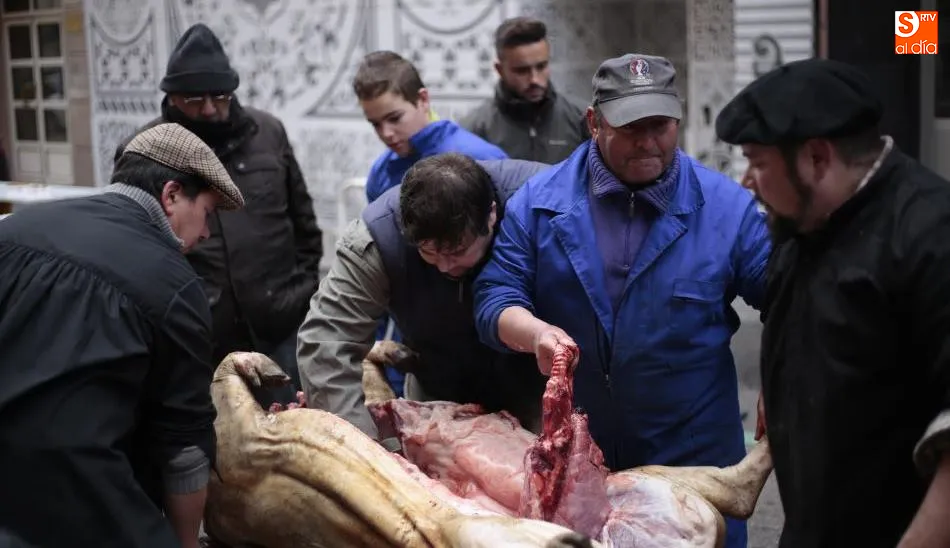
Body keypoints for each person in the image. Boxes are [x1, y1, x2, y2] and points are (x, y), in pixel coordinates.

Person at [472, 53, 771, 548]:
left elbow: (785, 298)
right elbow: (494, 296)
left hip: (693, 458)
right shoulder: (539, 203)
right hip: (581, 461)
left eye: (661, 125)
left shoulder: (726, 209)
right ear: (594, 123)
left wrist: (781, 378)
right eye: (631, 128)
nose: (649, 142)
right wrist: (535, 333)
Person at [715, 58, 950, 548]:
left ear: (817, 158)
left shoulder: (930, 236)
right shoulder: (799, 225)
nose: (747, 182)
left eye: (757, 163)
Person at [0, 123, 245, 548]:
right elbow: (183, 447)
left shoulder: (13, 231)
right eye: (207, 213)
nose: (206, 233)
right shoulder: (175, 285)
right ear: (171, 195)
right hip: (89, 506)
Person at [116, 23, 323, 404]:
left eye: (220, 95)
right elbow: (131, 249)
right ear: (172, 97)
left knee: (292, 430)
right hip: (199, 336)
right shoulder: (142, 150)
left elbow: (305, 223)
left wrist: (300, 291)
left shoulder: (269, 133)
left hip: (279, 324)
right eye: (194, 99)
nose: (210, 108)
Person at [297, 153, 550, 439]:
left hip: (541, 392)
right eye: (428, 253)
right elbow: (327, 341)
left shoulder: (550, 205)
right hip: (437, 399)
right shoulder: (380, 236)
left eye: (458, 251)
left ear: (492, 215)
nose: (444, 266)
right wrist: (365, 455)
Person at [353, 50, 509, 394]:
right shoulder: (381, 173)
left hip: (485, 338)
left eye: (394, 117)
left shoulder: (481, 160)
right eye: (375, 123)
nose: (386, 132)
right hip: (420, 343)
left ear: (423, 99)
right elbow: (380, 267)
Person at [460, 16, 589, 163]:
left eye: (541, 66)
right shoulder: (474, 130)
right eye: (522, 71)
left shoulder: (583, 119)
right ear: (500, 70)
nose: (534, 79)